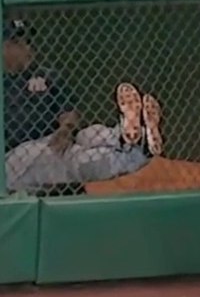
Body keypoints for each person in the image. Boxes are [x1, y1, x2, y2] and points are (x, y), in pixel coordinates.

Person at [3, 18, 163, 196]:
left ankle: (128, 134)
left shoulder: (47, 75)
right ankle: (133, 156)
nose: (27, 47)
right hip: (14, 159)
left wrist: (66, 130)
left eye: (28, 41)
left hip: (54, 139)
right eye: (17, 43)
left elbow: (68, 111)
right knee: (69, 159)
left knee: (89, 134)